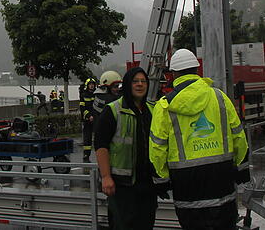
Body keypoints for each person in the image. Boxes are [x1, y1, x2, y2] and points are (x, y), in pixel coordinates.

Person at [149, 49, 248, 230]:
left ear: (173, 73)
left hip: (185, 182)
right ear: (197, 69)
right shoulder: (219, 97)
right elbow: (238, 135)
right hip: (221, 177)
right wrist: (242, 167)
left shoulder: (164, 105)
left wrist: (161, 180)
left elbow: (157, 148)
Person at [95, 67, 168, 229]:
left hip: (148, 185)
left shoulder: (153, 109)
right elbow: (101, 145)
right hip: (122, 186)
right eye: (135, 81)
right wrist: (106, 176)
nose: (140, 85)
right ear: (128, 84)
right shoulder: (113, 110)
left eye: (143, 81)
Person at [79, 78, 98, 162]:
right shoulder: (83, 95)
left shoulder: (96, 94)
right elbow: (82, 108)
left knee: (99, 137)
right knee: (87, 138)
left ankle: (100, 154)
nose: (91, 85)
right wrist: (89, 116)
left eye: (93, 84)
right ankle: (86, 155)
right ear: (87, 85)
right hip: (87, 120)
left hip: (96, 119)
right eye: (90, 84)